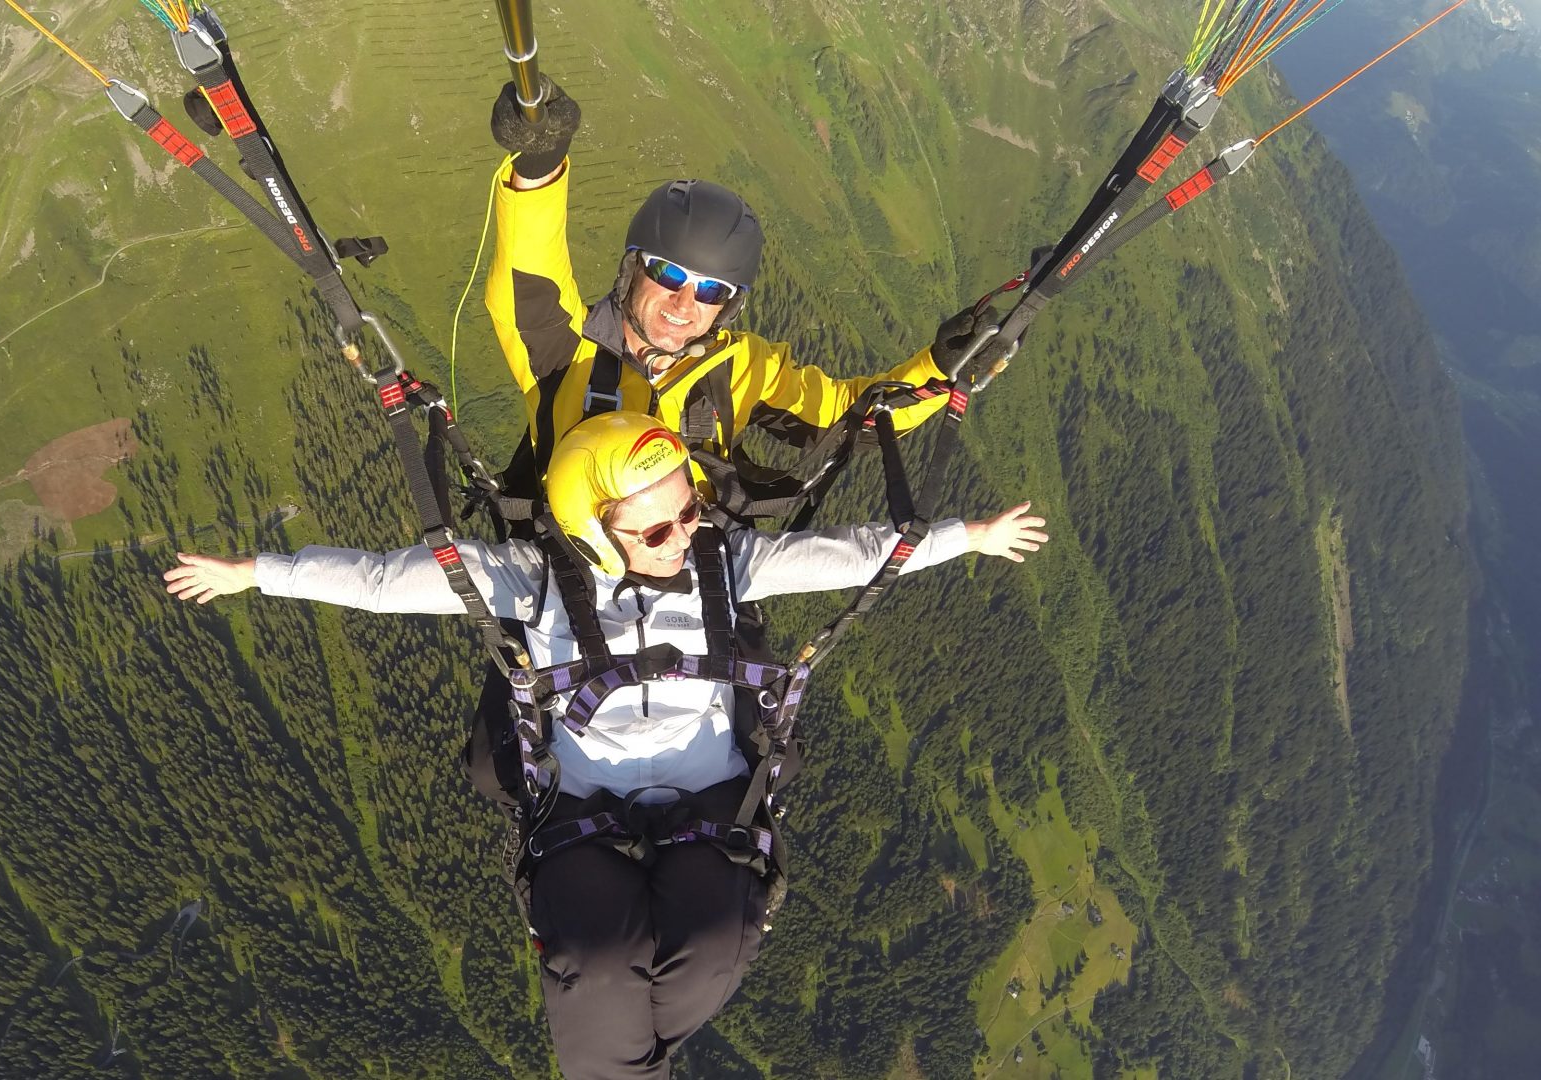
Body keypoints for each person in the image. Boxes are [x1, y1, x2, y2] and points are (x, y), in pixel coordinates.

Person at [164, 413, 1047, 1079]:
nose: (686, 535)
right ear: (594, 529)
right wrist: (256, 574)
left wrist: (970, 537)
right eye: (658, 528)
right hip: (583, 806)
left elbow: (853, 554)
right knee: (595, 967)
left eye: (689, 511)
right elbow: (387, 581)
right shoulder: (536, 582)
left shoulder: (722, 563)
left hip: (710, 796)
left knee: (709, 952)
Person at [483, 79, 1010, 505]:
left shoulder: (740, 366)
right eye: (669, 274)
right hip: (572, 581)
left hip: (697, 573)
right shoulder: (564, 351)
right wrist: (540, 163)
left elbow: (846, 418)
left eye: (712, 290)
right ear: (632, 270)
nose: (685, 305)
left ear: (729, 304)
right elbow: (529, 276)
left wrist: (940, 368)